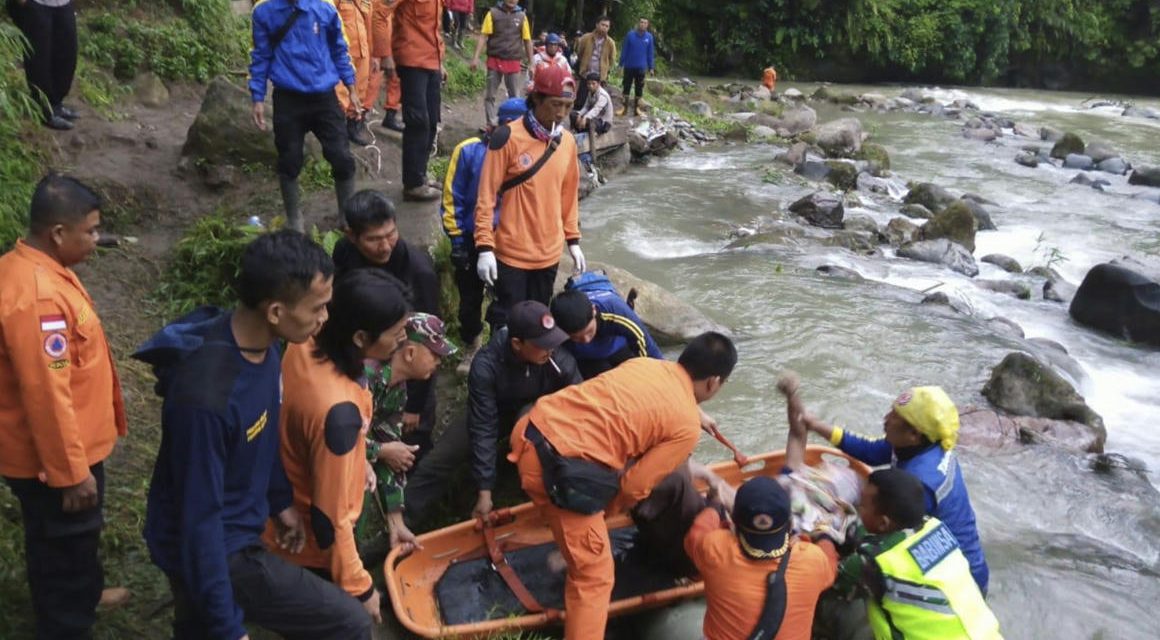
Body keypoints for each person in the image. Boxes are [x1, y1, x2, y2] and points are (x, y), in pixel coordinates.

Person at [137, 231, 372, 639]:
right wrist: (231, 629)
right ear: (276, 310)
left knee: (196, 623)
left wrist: (279, 501)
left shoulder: (263, 348)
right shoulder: (206, 400)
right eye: (317, 308)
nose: (326, 319)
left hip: (238, 521)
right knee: (348, 622)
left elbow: (261, 435)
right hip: (219, 543)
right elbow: (199, 521)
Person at [505, 331, 736, 640]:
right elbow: (634, 487)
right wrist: (600, 516)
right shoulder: (686, 426)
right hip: (560, 470)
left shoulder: (645, 365)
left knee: (585, 502)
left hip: (528, 431)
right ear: (714, 382)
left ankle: (568, 541)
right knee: (595, 578)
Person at [0, 174, 127, 639]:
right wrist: (70, 472)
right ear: (58, 233)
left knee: (73, 539)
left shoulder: (38, 267)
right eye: (90, 231)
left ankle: (86, 592)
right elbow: (46, 394)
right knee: (65, 542)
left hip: (68, 448)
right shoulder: (38, 298)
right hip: (53, 460)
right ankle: (67, 624)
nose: (96, 240)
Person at [266, 268, 412, 627]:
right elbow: (330, 519)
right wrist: (360, 588)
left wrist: (358, 457)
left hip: (282, 490)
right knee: (343, 625)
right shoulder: (338, 414)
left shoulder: (308, 342)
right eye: (397, 334)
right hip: (311, 541)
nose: (404, 340)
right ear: (361, 337)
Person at [801, 386, 990, 593]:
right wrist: (816, 426)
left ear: (913, 434)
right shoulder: (919, 445)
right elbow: (870, 451)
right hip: (947, 556)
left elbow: (886, 536)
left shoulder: (919, 483)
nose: (886, 418)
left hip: (956, 582)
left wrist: (829, 536)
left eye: (894, 416)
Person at [830, 469, 1002, 640]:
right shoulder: (935, 526)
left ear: (883, 523)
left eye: (862, 506)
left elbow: (831, 579)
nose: (858, 509)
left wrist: (825, 536)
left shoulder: (875, 561)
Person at [474, 63, 584, 330]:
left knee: (538, 323)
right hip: (512, 252)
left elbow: (568, 194)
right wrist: (485, 247)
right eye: (555, 104)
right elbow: (486, 197)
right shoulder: (507, 137)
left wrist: (573, 240)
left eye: (567, 107)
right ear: (536, 98)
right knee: (507, 323)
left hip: (548, 253)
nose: (561, 113)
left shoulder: (566, 142)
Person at [332, 190, 441, 447]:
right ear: (351, 235)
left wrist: (415, 405)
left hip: (405, 369)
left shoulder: (418, 270)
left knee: (413, 440)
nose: (385, 246)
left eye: (390, 234)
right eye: (374, 239)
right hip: (359, 362)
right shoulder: (344, 254)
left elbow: (427, 341)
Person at [250, 0, 360, 232]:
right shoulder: (264, 11)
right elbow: (260, 55)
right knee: (289, 160)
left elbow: (339, 48)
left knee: (341, 156)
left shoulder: (325, 8)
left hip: (324, 98)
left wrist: (351, 87)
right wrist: (257, 97)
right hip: (288, 99)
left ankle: (347, 217)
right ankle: (295, 221)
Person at [440, 97, 528, 375]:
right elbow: (453, 196)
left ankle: (500, 347)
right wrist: (456, 239)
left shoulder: (529, 153)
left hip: (509, 240)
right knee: (470, 299)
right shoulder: (468, 151)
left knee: (507, 298)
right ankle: (472, 345)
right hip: (471, 237)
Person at [362, 312, 456, 552]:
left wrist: (395, 521)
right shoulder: (365, 378)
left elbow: (392, 454)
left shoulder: (397, 391)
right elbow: (335, 437)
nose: (439, 363)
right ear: (410, 352)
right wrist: (381, 451)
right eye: (435, 355)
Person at [373, 0, 447, 202]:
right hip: (411, 60)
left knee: (432, 122)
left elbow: (434, 29)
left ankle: (420, 175)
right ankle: (413, 184)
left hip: (432, 62)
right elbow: (379, 14)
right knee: (417, 121)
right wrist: (385, 55)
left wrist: (440, 63)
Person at [549, 284, 661, 379]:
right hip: (585, 358)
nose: (586, 340)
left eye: (589, 332)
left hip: (616, 346)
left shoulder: (615, 310)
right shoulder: (556, 330)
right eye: (577, 337)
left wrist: (662, 374)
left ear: (594, 311)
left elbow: (646, 345)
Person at [10, 0, 79, 130]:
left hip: (62, 4)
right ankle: (43, 111)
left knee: (67, 53)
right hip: (36, 4)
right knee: (39, 59)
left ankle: (56, 103)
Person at [471, 0, 534, 128]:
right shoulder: (493, 13)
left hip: (513, 61)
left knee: (515, 97)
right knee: (490, 95)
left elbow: (527, 41)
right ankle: (491, 124)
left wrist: (532, 63)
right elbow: (483, 36)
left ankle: (514, 126)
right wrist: (475, 58)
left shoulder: (522, 16)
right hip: (495, 59)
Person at [336, 0, 377, 146]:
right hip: (345, 54)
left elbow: (369, 29)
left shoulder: (365, 1)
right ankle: (338, 130)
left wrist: (373, 55)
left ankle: (353, 127)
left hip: (363, 52)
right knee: (341, 94)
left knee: (360, 92)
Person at [572, 16, 616, 110]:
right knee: (580, 100)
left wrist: (605, 69)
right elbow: (580, 52)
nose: (604, 27)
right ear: (597, 25)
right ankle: (576, 120)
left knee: (597, 102)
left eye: (607, 26)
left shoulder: (610, 43)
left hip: (600, 76)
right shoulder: (586, 38)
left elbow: (612, 59)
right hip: (586, 74)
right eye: (602, 25)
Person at [617, 17, 655, 117]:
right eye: (641, 22)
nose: (643, 24)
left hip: (641, 68)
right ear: (638, 23)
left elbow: (650, 53)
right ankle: (624, 109)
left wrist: (651, 67)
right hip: (629, 66)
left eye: (645, 23)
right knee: (626, 87)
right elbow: (624, 50)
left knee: (639, 89)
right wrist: (620, 65)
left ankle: (637, 110)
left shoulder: (649, 37)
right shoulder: (630, 35)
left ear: (647, 25)